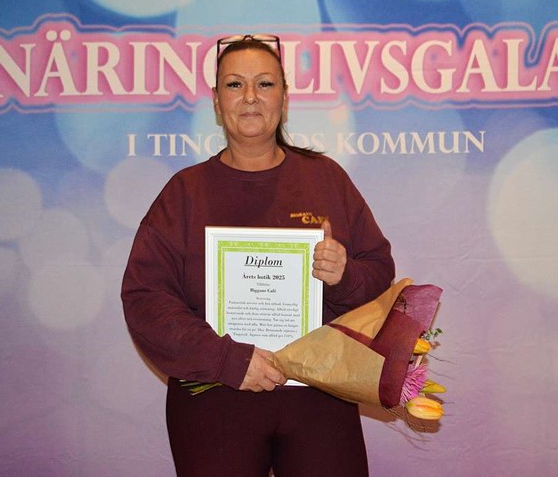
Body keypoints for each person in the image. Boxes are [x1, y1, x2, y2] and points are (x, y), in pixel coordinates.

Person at [121, 33, 395, 476]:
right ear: (216, 101)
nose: (250, 96)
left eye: (265, 84)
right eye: (235, 84)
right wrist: (228, 361)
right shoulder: (184, 193)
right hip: (214, 396)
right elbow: (145, 299)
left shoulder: (326, 180)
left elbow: (380, 273)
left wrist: (344, 277)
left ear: (284, 99)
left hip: (318, 396)